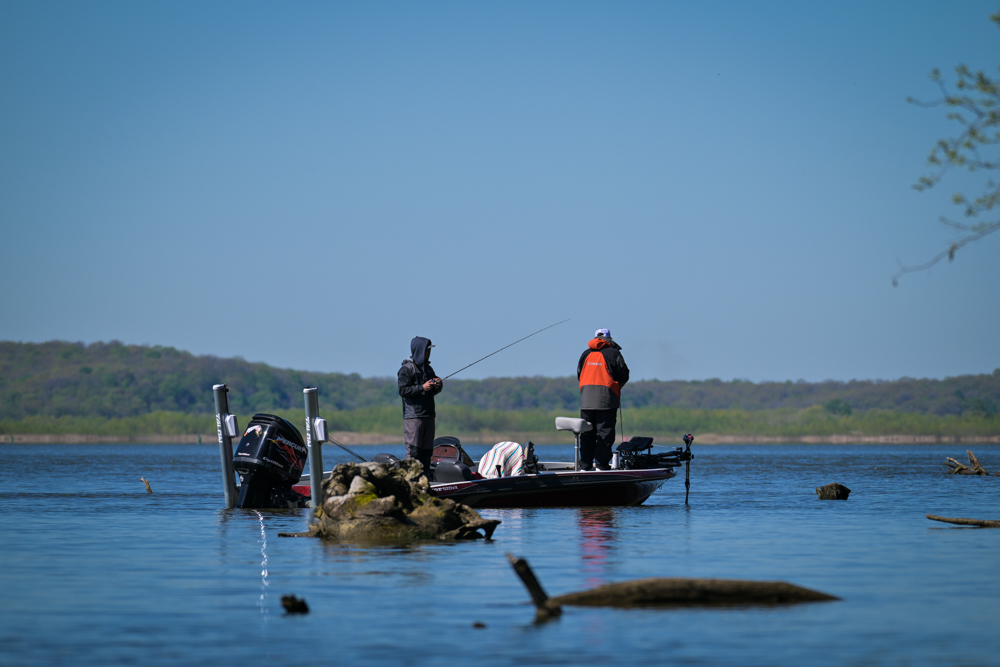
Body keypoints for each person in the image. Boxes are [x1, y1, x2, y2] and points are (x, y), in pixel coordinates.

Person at [576, 328, 629, 470]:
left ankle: (585, 466)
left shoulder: (585, 354)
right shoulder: (614, 353)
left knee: (587, 434)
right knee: (605, 434)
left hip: (586, 401)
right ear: (609, 339)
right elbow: (624, 375)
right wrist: (617, 387)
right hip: (607, 400)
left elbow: (579, 374)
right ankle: (601, 466)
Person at [398, 336, 442, 474]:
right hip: (414, 417)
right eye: (427, 350)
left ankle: (425, 480)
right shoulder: (406, 369)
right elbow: (403, 391)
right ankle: (411, 480)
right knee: (414, 451)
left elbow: (432, 391)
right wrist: (422, 387)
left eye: (429, 350)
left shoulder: (428, 369)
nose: (429, 353)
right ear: (420, 350)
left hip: (429, 415)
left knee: (427, 451)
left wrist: (438, 385)